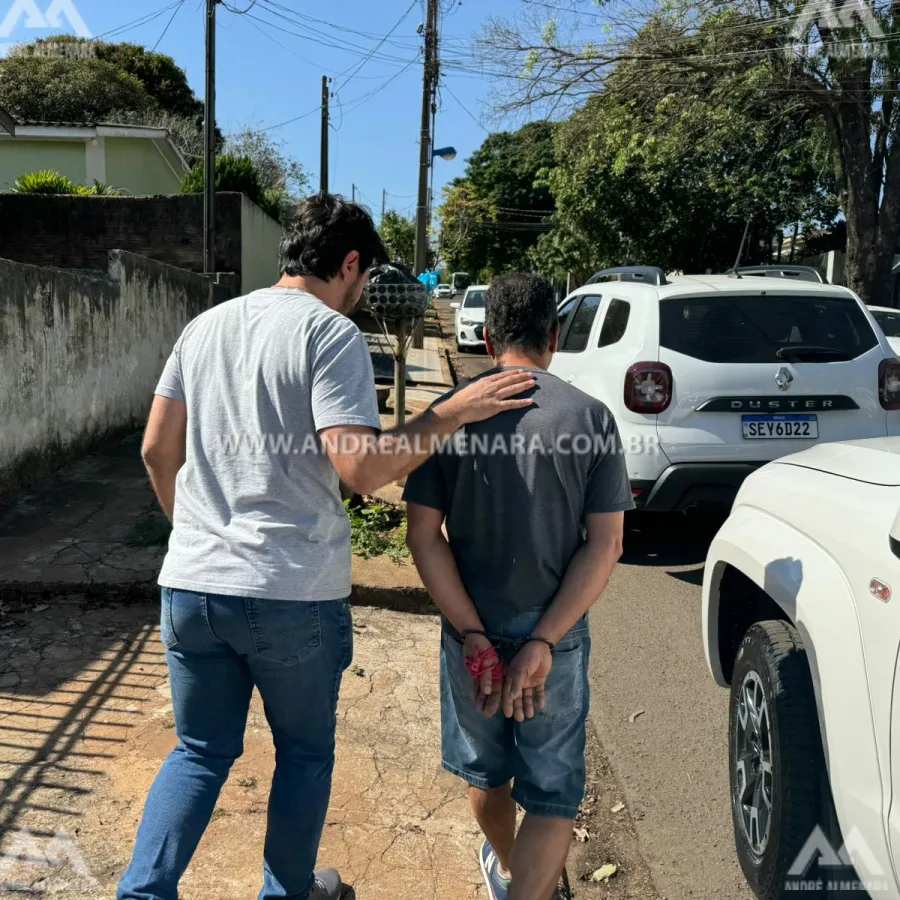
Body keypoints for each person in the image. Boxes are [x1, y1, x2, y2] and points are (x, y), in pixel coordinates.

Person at [118, 195, 536, 900]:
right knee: (304, 755)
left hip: (191, 584)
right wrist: (450, 412)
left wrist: (193, 533)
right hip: (289, 592)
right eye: (365, 277)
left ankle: (143, 892)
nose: (363, 292)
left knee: (199, 751)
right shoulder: (329, 335)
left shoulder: (204, 327)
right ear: (349, 264)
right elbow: (364, 469)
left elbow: (158, 449)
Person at [404, 274, 633, 900]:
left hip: (468, 631)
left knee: (488, 774)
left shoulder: (447, 417)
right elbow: (606, 545)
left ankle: (513, 870)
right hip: (551, 639)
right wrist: (543, 641)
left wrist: (474, 634)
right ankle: (535, 882)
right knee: (553, 794)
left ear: (485, 336)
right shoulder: (590, 418)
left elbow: (424, 537)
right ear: (554, 337)